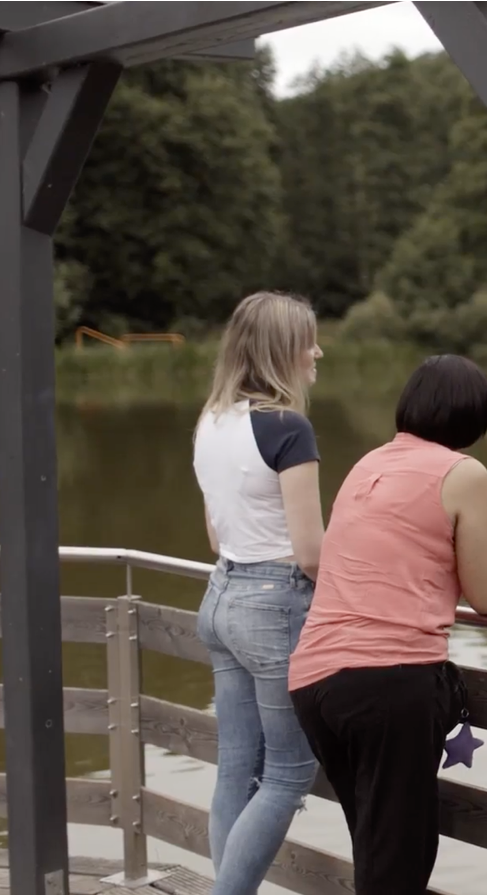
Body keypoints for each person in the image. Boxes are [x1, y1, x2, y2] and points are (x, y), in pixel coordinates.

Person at [288, 354, 487, 896]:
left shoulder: (368, 464)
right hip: (387, 681)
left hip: (315, 680)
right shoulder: (464, 473)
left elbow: (403, 563)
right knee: (399, 859)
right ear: (475, 416)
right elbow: (485, 598)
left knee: (378, 848)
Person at [192, 290, 326, 896]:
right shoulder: (288, 429)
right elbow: (312, 554)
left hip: (221, 599)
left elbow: (215, 531)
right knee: (289, 774)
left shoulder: (211, 419)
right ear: (282, 352)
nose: (317, 351)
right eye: (308, 341)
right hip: (274, 608)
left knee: (236, 767)